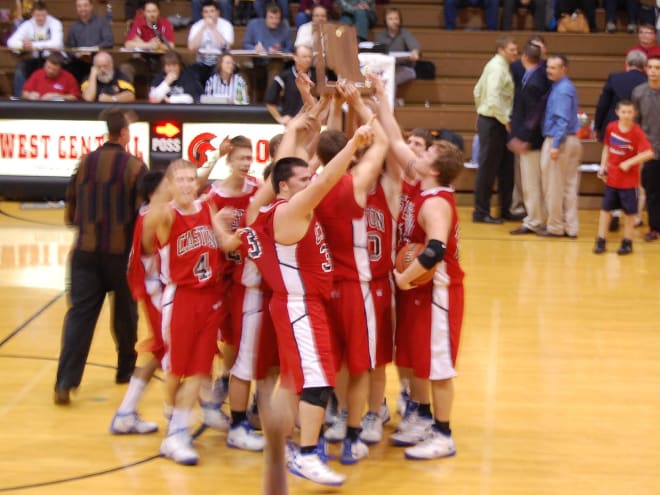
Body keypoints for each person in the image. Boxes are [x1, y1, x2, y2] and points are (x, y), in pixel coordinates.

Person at [213, 104, 376, 486]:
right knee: (316, 384)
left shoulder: (265, 209)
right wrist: (352, 143)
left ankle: (283, 445)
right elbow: (320, 182)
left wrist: (305, 128)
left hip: (288, 305)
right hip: (302, 307)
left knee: (289, 381)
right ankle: (306, 454)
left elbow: (294, 170)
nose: (310, 179)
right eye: (301, 178)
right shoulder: (291, 210)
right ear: (284, 186)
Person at [314, 87, 389, 465]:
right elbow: (384, 142)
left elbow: (323, 145)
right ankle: (354, 433)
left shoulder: (310, 186)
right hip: (355, 286)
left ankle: (339, 416)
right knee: (360, 365)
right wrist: (359, 104)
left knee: (336, 361)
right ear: (349, 153)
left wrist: (332, 107)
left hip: (323, 288)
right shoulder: (356, 183)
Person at [54, 107, 148, 405]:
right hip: (120, 255)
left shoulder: (84, 163)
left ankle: (65, 382)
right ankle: (124, 370)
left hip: (85, 252)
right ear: (123, 134)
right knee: (125, 316)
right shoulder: (135, 167)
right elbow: (141, 213)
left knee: (79, 318)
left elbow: (70, 209)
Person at [146, 159, 223, 465]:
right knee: (176, 370)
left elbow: (226, 241)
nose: (188, 184)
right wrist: (169, 185)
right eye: (181, 180)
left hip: (208, 297)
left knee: (201, 369)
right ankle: (174, 424)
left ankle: (176, 433)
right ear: (170, 184)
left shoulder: (207, 209)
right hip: (180, 299)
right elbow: (155, 210)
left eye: (192, 179)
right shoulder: (166, 215)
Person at [110, 170, 169, 435]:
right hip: (157, 292)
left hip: (160, 290)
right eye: (169, 184)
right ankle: (179, 415)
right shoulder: (152, 218)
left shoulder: (152, 211)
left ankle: (126, 412)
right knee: (167, 353)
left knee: (163, 353)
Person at [593, 100, 654, 255]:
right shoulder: (611, 127)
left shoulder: (637, 132)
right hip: (612, 179)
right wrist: (603, 166)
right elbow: (607, 147)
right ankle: (601, 240)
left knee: (629, 213)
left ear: (634, 114)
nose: (626, 115)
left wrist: (629, 162)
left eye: (629, 112)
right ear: (617, 112)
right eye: (623, 112)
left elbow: (649, 153)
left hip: (629, 182)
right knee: (606, 210)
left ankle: (627, 241)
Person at [472, 35, 518, 224]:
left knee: (505, 168)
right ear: (500, 49)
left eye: (516, 49)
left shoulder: (502, 66)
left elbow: (476, 91)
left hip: (494, 120)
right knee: (488, 168)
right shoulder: (497, 68)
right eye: (511, 50)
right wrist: (504, 119)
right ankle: (481, 212)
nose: (515, 53)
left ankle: (505, 209)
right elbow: (492, 97)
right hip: (494, 121)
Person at [508, 42, 552, 236]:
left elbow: (534, 115)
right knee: (533, 183)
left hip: (532, 142)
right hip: (534, 140)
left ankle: (534, 220)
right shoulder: (536, 76)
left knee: (531, 183)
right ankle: (536, 218)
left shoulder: (535, 81)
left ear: (524, 57)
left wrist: (523, 138)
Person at [538, 54, 582, 238]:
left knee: (554, 187)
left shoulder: (562, 90)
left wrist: (555, 145)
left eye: (554, 67)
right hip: (572, 140)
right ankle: (571, 227)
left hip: (559, 141)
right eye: (548, 66)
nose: (549, 70)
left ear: (564, 69)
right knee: (569, 187)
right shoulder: (565, 87)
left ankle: (555, 226)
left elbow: (562, 120)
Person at [6, 1, 63, 97]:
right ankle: (19, 99)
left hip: (53, 58)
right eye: (37, 15)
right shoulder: (28, 24)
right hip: (35, 59)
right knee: (21, 67)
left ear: (47, 14)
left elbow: (56, 43)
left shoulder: (55, 23)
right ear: (32, 14)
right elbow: (10, 42)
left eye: (43, 15)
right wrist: (23, 45)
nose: (40, 18)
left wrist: (33, 45)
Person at [632, 55, 660, 241]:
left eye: (657, 67)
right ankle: (655, 228)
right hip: (650, 151)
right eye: (650, 67)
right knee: (652, 193)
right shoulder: (638, 93)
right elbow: (635, 123)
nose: (653, 71)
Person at [594, 50, 648, 142]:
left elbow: (603, 105)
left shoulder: (614, 78)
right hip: (640, 128)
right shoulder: (648, 81)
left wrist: (597, 127)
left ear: (626, 63)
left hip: (615, 126)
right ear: (644, 65)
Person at [64, 0, 114, 83]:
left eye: (85, 5)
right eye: (79, 6)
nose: (82, 8)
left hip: (97, 60)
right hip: (79, 62)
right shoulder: (74, 27)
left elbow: (109, 41)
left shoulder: (102, 22)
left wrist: (93, 49)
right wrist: (77, 54)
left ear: (91, 6)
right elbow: (69, 46)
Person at [187, 0, 234, 88]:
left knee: (217, 73)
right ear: (202, 14)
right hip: (201, 63)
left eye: (212, 11)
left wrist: (213, 28)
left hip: (219, 63)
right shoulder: (197, 26)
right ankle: (198, 100)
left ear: (218, 12)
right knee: (191, 74)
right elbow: (191, 47)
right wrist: (203, 28)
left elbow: (226, 47)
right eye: (206, 12)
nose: (209, 14)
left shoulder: (226, 25)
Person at [265, 45, 313, 125]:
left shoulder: (317, 76)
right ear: (295, 57)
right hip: (291, 124)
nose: (308, 60)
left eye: (310, 57)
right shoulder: (284, 76)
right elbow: (269, 101)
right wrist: (279, 118)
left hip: (311, 124)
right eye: (304, 57)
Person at [374, 7, 421, 87]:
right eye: (390, 19)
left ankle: (391, 100)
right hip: (387, 67)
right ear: (385, 21)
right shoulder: (380, 35)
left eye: (396, 19)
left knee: (390, 79)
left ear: (400, 20)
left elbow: (415, 47)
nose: (394, 21)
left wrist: (415, 53)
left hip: (405, 68)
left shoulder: (405, 33)